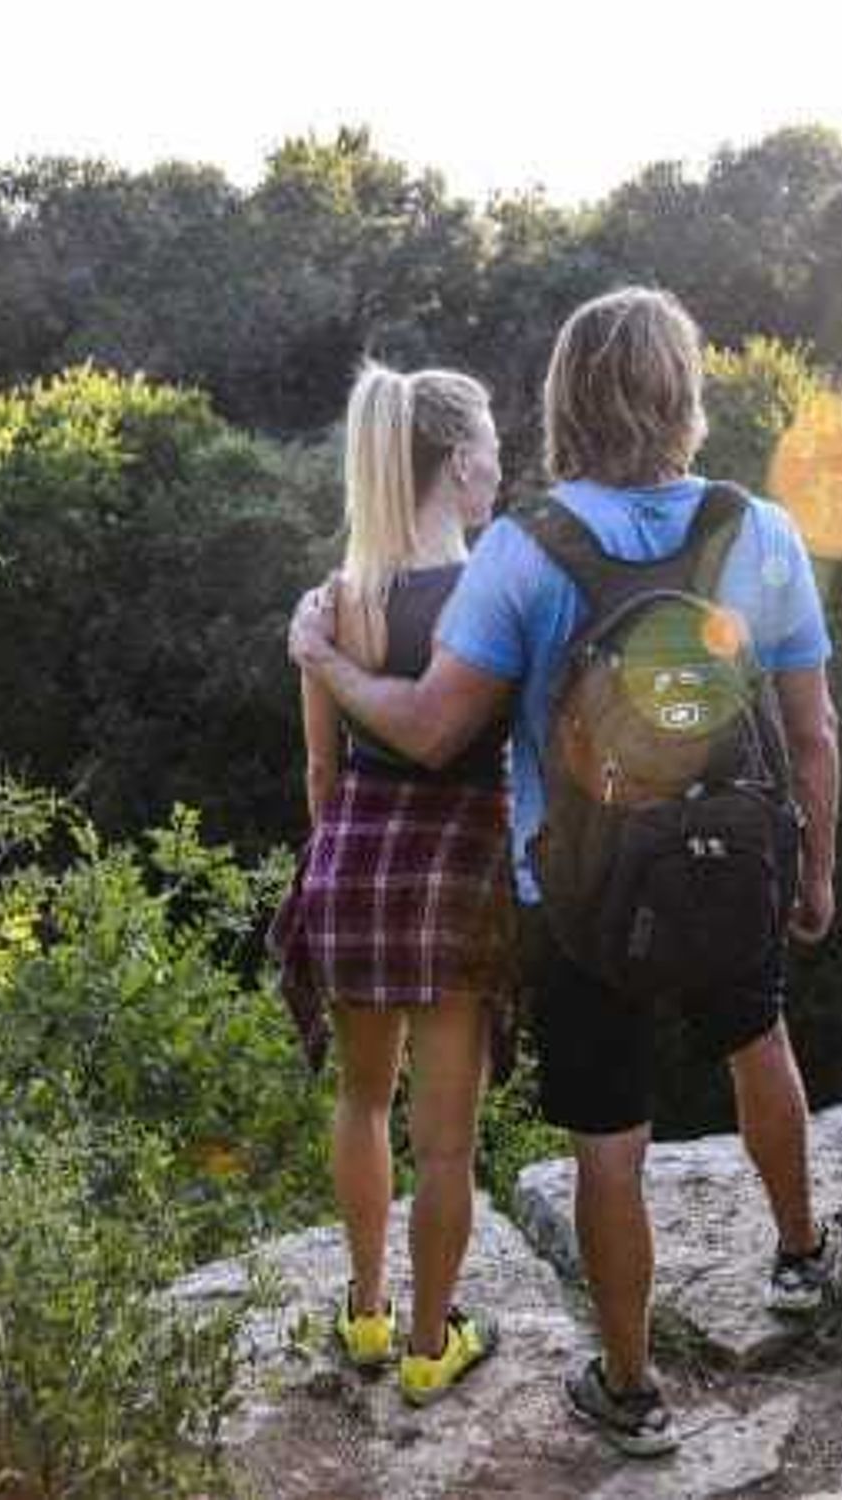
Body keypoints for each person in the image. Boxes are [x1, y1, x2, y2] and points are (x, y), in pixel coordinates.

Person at [288, 287, 841, 1459]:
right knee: (758, 1043)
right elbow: (812, 732)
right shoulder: (757, 530)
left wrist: (325, 661)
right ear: (683, 393)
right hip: (732, 860)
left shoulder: (523, 550)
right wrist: (815, 872)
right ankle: (799, 1257)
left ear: (562, 399)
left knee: (609, 1144)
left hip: (580, 892)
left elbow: (429, 729)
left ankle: (629, 1390)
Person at [268, 360, 515, 1409]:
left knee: (362, 1098)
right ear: (457, 463)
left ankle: (364, 1313)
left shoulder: (338, 600)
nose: (499, 469)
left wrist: (345, 855)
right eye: (492, 450)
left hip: (352, 872)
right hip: (456, 876)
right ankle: (427, 1345)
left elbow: (320, 776)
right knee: (444, 1141)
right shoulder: (492, 594)